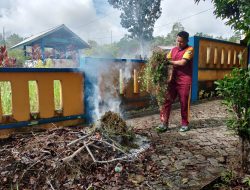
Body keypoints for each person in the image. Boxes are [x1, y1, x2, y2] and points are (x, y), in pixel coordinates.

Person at [156, 31, 193, 132]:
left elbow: (182, 62)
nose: (178, 43)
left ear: (186, 41)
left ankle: (185, 123)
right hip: (172, 79)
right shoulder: (173, 50)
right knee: (166, 100)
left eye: (181, 42)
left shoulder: (190, 49)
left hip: (184, 80)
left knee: (184, 102)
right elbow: (166, 59)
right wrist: (159, 61)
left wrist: (169, 62)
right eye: (177, 41)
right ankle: (164, 123)